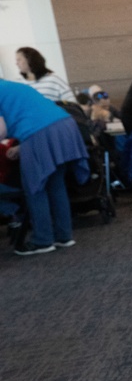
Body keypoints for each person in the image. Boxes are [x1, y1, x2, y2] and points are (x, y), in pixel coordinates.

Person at [0, 80, 89, 255]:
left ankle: (43, 241)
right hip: (64, 125)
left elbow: (1, 130)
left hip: (39, 131)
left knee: (35, 188)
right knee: (55, 185)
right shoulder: (11, 86)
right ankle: (64, 236)